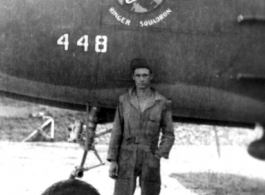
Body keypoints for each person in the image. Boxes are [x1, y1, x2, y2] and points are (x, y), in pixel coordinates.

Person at [107, 58, 175, 195]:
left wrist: (159, 154)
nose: (141, 79)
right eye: (138, 76)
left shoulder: (161, 102)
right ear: (133, 77)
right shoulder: (124, 100)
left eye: (145, 76)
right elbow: (116, 131)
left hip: (150, 157)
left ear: (151, 77)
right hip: (126, 156)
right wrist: (113, 160)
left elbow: (169, 134)